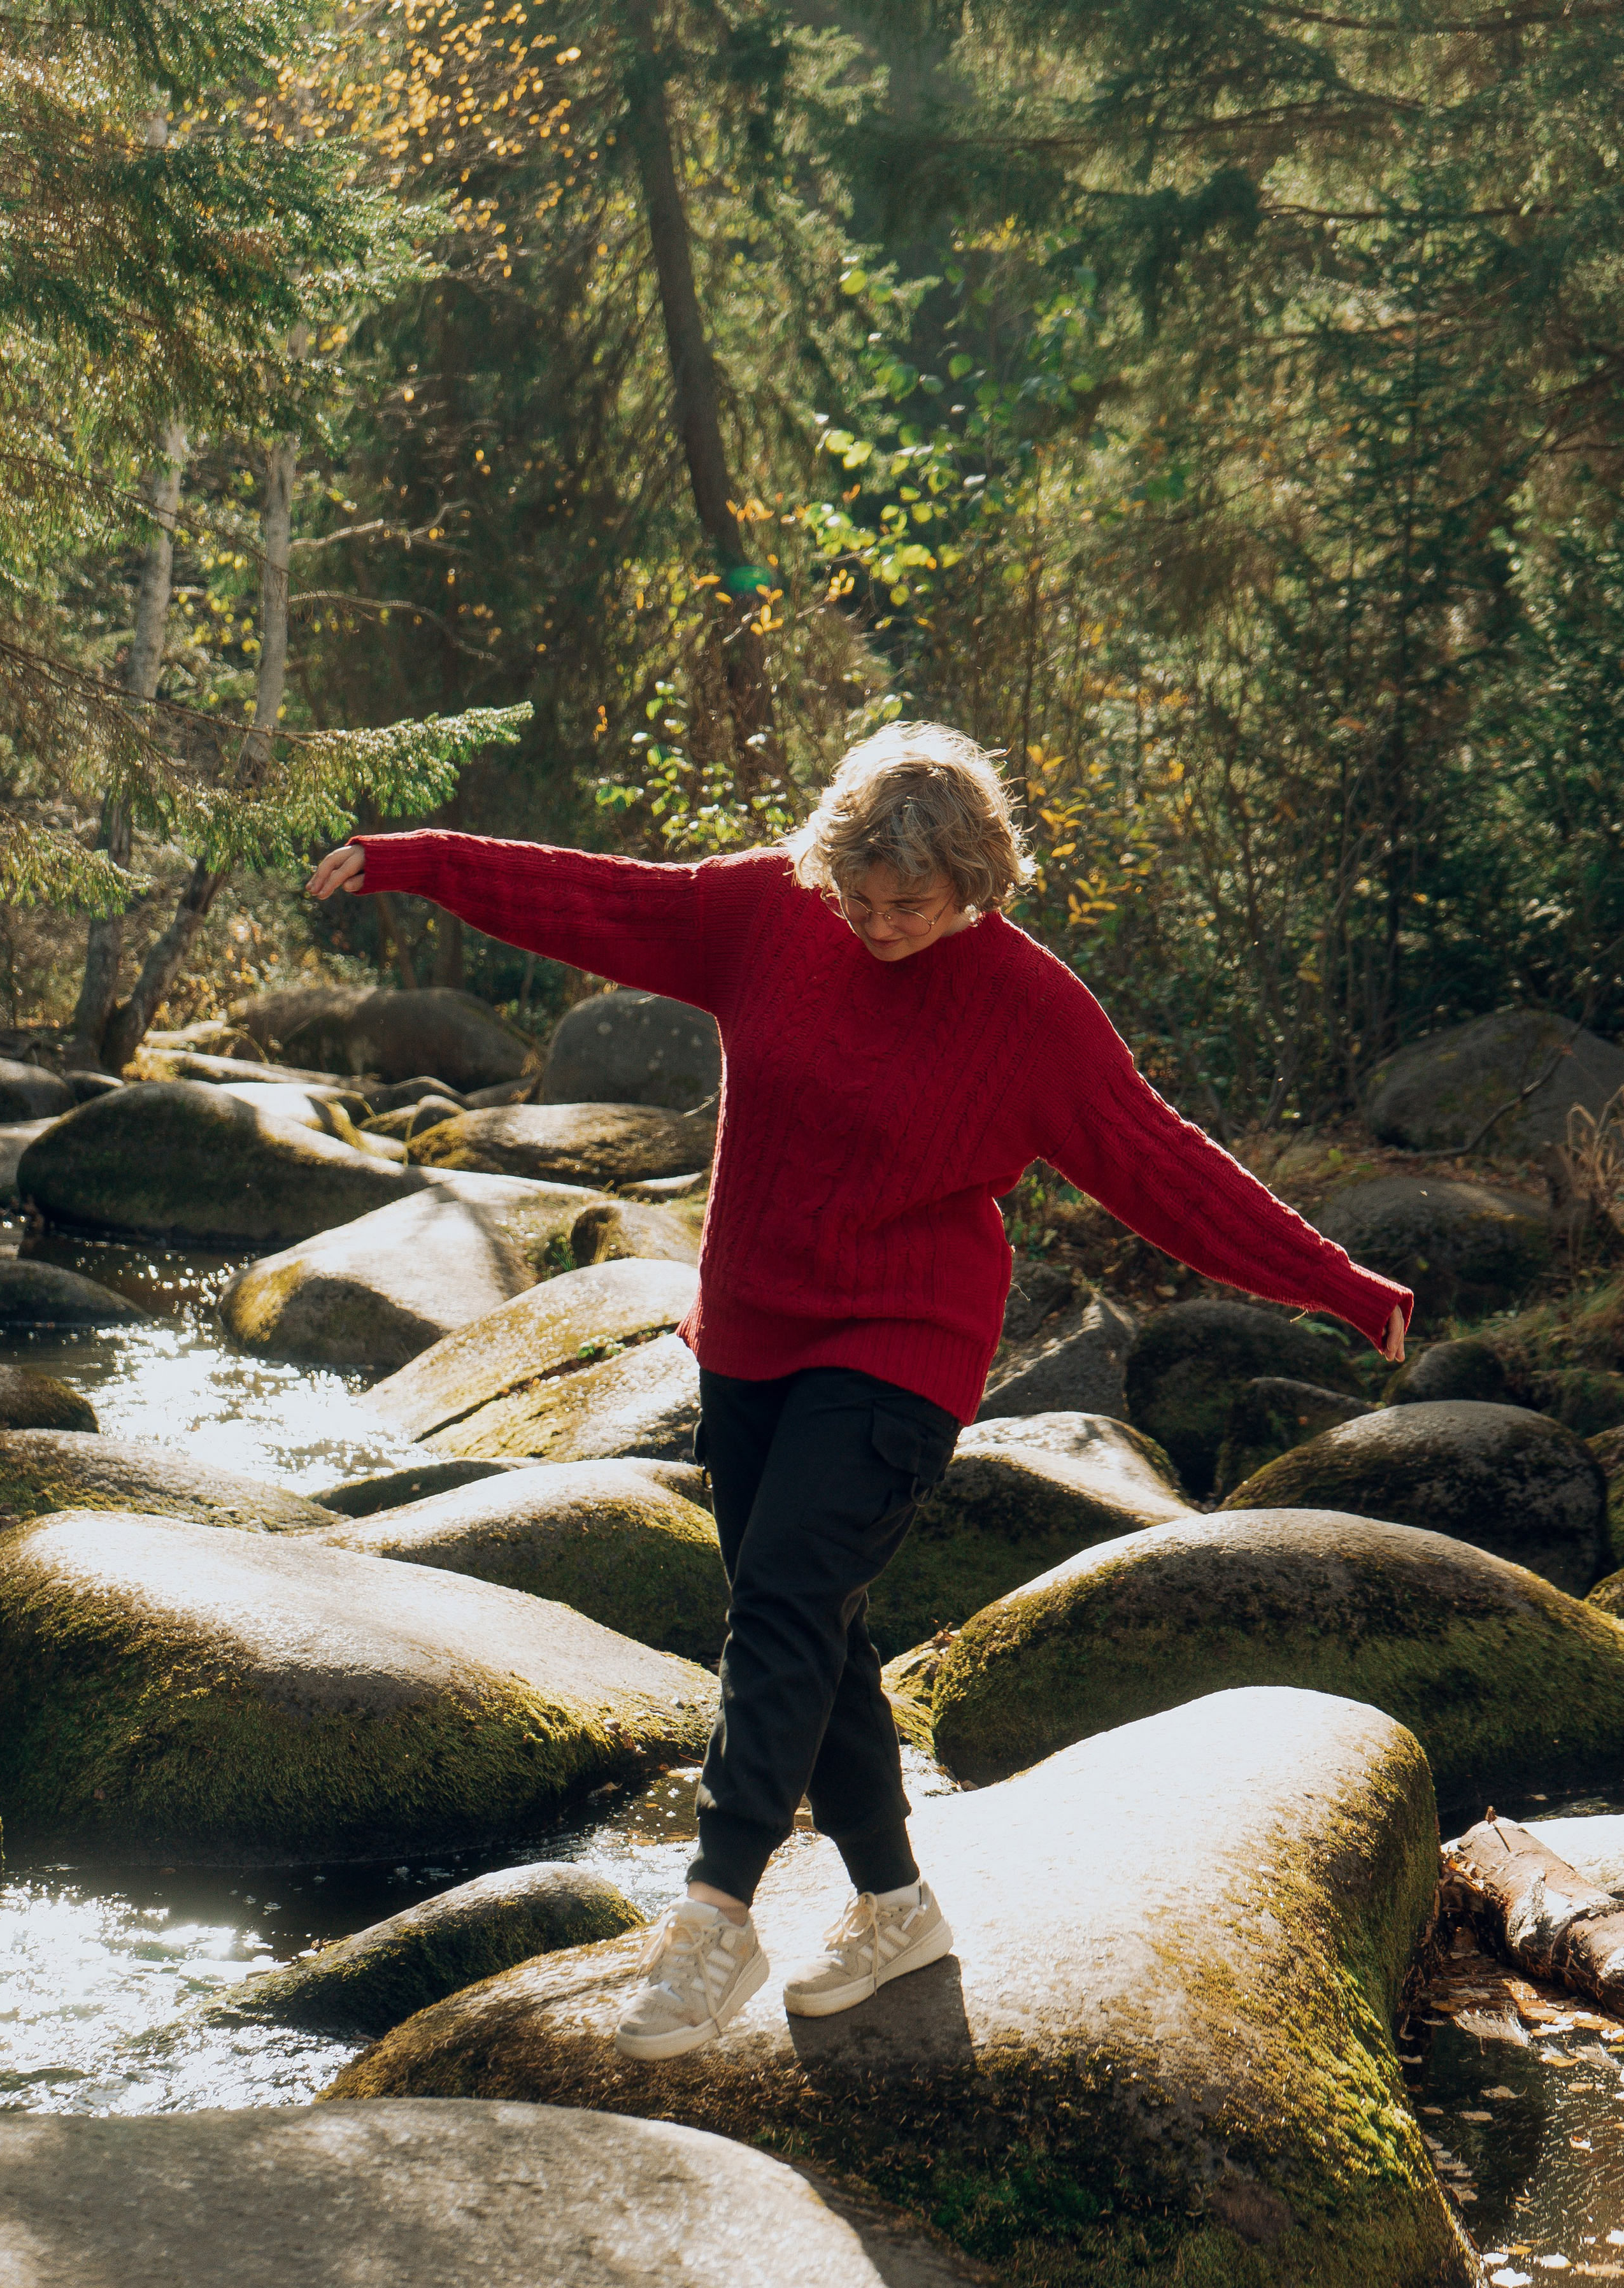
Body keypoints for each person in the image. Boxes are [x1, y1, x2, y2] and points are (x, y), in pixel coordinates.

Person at [308, 720, 1411, 2062]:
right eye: (861, 896)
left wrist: (1334, 1285)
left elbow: (1159, 1166)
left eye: (913, 904)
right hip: (752, 1335)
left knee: (779, 1602)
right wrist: (419, 860)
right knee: (812, 1631)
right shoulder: (767, 912)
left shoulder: (1029, 1010)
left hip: (901, 1343)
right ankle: (895, 1906)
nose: (881, 924)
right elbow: (599, 899)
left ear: (975, 883)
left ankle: (715, 1913)